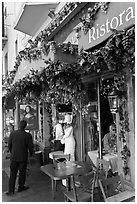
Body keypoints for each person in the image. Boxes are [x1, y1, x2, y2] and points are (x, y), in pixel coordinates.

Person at [5, 120, 34, 196]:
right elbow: (30, 147)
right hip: (23, 157)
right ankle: (21, 187)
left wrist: (12, 152)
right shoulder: (28, 135)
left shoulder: (13, 133)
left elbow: (9, 145)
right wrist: (31, 154)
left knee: (13, 173)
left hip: (14, 157)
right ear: (25, 126)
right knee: (22, 172)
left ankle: (11, 190)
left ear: (18, 125)